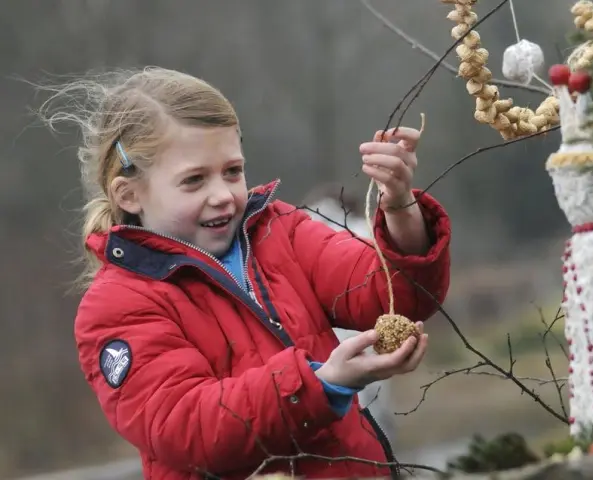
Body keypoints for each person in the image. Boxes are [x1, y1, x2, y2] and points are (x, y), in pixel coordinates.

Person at [42, 67, 451, 480]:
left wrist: (399, 206)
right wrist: (322, 385)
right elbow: (189, 429)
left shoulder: (280, 230)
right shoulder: (116, 306)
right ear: (129, 195)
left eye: (232, 171)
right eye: (194, 180)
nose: (222, 195)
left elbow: (395, 294)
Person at [302, 184, 397, 444]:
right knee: (372, 411)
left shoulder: (306, 230)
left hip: (328, 342)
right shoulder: (364, 231)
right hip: (364, 336)